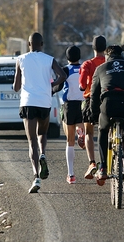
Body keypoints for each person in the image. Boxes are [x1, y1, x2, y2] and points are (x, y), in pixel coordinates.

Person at [13, 32, 66, 193]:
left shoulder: (21, 59)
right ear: (42, 44)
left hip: (28, 102)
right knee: (42, 133)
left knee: (31, 142)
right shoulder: (49, 59)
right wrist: (52, 85)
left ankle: (36, 177)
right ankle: (43, 154)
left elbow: (16, 87)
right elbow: (62, 75)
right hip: (44, 101)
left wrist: (20, 82)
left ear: (29, 44)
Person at [90, 45, 124, 185]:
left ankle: (103, 167)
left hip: (109, 105)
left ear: (107, 57)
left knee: (102, 130)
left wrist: (94, 115)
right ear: (123, 56)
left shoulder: (100, 68)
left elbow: (94, 95)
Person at [78, 35, 107, 180]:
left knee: (89, 132)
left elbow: (82, 85)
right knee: (107, 130)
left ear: (93, 47)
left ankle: (92, 163)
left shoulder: (87, 64)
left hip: (91, 100)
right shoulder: (109, 62)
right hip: (108, 100)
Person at [57, 45, 85, 184]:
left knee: (70, 141)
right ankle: (82, 132)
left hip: (69, 105)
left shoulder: (65, 70)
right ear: (79, 56)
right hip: (83, 103)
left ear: (67, 57)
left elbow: (58, 86)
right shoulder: (84, 68)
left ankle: (71, 174)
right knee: (83, 127)